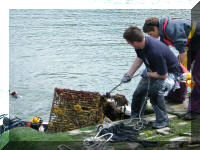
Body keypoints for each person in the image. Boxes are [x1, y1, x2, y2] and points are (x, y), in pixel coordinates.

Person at [121, 26, 182, 129]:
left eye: (129, 42)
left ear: (134, 42)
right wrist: (129, 74)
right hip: (154, 70)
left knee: (155, 92)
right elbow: (140, 58)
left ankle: (163, 121)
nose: (128, 44)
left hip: (170, 73)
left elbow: (163, 75)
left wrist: (148, 74)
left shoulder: (155, 51)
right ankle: (136, 118)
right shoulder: (140, 45)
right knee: (138, 93)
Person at [143, 17, 200, 120]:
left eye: (151, 34)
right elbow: (162, 53)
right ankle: (177, 96)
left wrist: (177, 68)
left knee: (196, 76)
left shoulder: (172, 29)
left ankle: (196, 110)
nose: (151, 37)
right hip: (192, 43)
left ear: (155, 29)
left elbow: (182, 53)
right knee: (181, 70)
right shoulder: (163, 33)